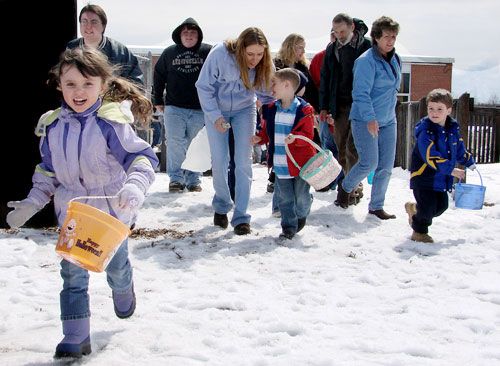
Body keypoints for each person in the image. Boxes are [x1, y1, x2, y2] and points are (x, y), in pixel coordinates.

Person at [6, 48, 158, 358]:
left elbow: (141, 157)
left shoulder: (109, 123)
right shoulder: (52, 126)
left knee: (115, 267)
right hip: (72, 215)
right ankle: (75, 338)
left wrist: (135, 186)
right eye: (71, 83)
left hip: (112, 213)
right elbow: (48, 172)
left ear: (103, 86)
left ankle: (123, 286)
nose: (79, 92)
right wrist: (32, 202)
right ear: (59, 84)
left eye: (88, 84)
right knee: (72, 274)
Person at [195, 27, 273, 235]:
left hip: (245, 110)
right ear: (240, 49)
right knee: (220, 160)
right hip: (217, 110)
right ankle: (221, 205)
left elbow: (268, 96)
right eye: (250, 54)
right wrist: (215, 116)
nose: (254, 59)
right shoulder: (220, 54)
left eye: (259, 54)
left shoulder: (264, 63)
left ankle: (241, 216)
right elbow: (204, 87)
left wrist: (270, 120)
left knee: (244, 162)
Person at [336, 16, 401, 220]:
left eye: (393, 36)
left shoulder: (396, 58)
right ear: (376, 37)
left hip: (389, 119)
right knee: (369, 163)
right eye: (386, 37)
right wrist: (371, 118)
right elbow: (361, 93)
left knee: (386, 166)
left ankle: (376, 206)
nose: (390, 41)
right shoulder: (366, 61)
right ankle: (345, 187)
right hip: (365, 119)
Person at [252, 68, 316, 240]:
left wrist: (296, 138)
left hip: (300, 164)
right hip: (280, 163)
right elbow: (267, 131)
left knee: (301, 197)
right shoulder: (270, 109)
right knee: (285, 199)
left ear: (287, 85)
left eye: (274, 83)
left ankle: (303, 212)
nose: (271, 87)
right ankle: (288, 227)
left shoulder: (304, 110)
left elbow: (309, 135)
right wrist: (259, 138)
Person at [405, 89, 476, 243]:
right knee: (428, 207)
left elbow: (458, 149)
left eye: (439, 109)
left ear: (448, 110)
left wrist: (468, 161)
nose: (434, 113)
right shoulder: (425, 131)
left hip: (441, 178)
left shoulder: (452, 129)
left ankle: (415, 210)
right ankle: (419, 233)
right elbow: (430, 156)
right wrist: (451, 170)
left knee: (441, 207)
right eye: (431, 108)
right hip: (423, 177)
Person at [153, 18, 212, 192]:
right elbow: (158, 76)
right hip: (174, 107)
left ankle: (194, 179)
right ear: (179, 35)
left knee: (196, 144)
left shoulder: (208, 52)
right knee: (174, 142)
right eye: (185, 32)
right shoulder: (169, 53)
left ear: (198, 35)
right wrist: (157, 100)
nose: (189, 36)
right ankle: (176, 179)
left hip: (199, 108)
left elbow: (217, 74)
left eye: (193, 32)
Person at [319, 14, 371, 201]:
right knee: (341, 148)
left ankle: (353, 188)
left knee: (353, 147)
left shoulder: (366, 46)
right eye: (336, 31)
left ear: (351, 27)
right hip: (339, 105)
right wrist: (324, 106)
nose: (339, 35)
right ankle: (347, 186)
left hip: (359, 103)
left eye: (342, 31)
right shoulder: (332, 49)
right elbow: (325, 78)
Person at [67, 4, 143, 84]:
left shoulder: (120, 52)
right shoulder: (71, 48)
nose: (88, 26)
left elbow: (136, 83)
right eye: (84, 21)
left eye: (94, 22)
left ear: (103, 26)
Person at [309, 27, 339, 192]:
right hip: (323, 111)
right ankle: (328, 182)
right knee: (328, 148)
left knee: (346, 149)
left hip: (343, 112)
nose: (337, 38)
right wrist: (319, 110)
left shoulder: (350, 57)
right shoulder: (320, 58)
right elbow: (313, 87)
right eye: (334, 34)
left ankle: (346, 184)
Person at [274, 33, 318, 111]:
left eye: (304, 48)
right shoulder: (277, 65)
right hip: (280, 109)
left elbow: (312, 91)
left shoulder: (302, 67)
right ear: (290, 47)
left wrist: (317, 109)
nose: (304, 51)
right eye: (300, 47)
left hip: (300, 110)